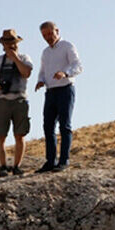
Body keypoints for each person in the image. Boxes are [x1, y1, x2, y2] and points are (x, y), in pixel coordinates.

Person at [34, 21, 82, 173]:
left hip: (65, 89)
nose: (48, 37)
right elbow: (42, 71)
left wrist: (65, 73)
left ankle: (64, 160)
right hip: (50, 92)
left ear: (57, 31)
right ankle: (50, 161)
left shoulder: (67, 46)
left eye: (50, 33)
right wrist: (40, 81)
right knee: (48, 126)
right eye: (45, 35)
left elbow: (78, 65)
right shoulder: (45, 52)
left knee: (64, 125)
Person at [0, 29, 34, 177]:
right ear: (3, 45)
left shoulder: (24, 58)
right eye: (7, 43)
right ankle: (3, 166)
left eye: (12, 42)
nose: (10, 45)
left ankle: (17, 166)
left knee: (20, 135)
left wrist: (15, 58)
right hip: (1, 100)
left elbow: (26, 73)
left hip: (20, 100)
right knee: (0, 135)